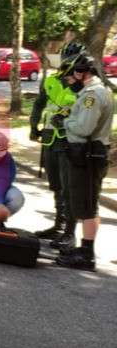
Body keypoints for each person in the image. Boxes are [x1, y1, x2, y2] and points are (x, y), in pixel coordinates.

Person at [54, 52, 113, 271]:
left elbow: (84, 127)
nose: (73, 78)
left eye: (75, 74)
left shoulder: (93, 94)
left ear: (82, 73)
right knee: (86, 202)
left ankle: (87, 254)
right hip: (89, 152)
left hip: (87, 154)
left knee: (88, 205)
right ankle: (84, 248)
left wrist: (65, 121)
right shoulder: (98, 91)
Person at [28, 40, 83, 247]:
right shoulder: (51, 79)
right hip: (49, 137)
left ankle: (69, 232)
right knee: (56, 186)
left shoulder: (81, 85)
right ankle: (58, 226)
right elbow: (40, 103)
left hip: (69, 139)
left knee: (69, 187)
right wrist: (34, 125)